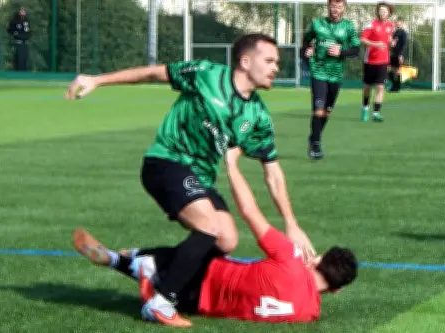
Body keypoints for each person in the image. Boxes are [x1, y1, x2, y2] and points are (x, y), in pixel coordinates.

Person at [65, 33, 316, 324]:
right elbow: (151, 73)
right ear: (245, 62)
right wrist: (97, 80)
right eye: (269, 60)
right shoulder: (205, 74)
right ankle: (162, 301)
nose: (276, 67)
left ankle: (136, 262)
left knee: (226, 240)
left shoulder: (257, 116)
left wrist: (291, 223)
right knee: (209, 226)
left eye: (277, 62)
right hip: (166, 161)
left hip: (200, 177)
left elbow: (272, 171)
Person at [71, 147, 357, 327]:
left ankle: (132, 263)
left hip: (204, 274)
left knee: (213, 238)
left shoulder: (292, 259)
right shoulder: (309, 313)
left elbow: (249, 211)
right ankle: (127, 262)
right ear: (335, 290)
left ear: (316, 260)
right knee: (197, 258)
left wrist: (232, 163)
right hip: (198, 305)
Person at [302, 0, 362, 160]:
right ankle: (316, 145)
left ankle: (314, 136)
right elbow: (306, 41)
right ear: (328, 6)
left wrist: (341, 51)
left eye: (339, 6)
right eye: (333, 6)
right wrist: (306, 52)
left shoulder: (348, 26)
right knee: (318, 110)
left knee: (327, 111)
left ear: (344, 8)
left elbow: (356, 49)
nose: (335, 9)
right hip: (318, 71)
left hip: (335, 74)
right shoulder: (317, 24)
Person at [360, 2, 395, 123]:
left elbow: (388, 39)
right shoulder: (372, 24)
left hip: (383, 61)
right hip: (370, 60)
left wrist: (391, 43)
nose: (382, 13)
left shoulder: (391, 25)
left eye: (385, 11)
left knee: (380, 87)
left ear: (389, 12)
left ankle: (376, 113)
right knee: (367, 87)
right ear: (378, 12)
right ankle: (365, 108)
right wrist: (375, 44)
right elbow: (362, 39)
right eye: (380, 10)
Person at [7, 7, 31, 71]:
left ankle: (24, 72)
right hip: (17, 43)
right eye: (21, 11)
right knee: (18, 58)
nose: (23, 13)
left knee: (24, 58)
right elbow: (10, 30)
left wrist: (27, 36)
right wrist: (15, 34)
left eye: (24, 11)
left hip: (25, 43)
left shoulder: (27, 21)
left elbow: (29, 31)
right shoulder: (14, 20)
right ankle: (17, 71)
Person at [389, 17, 408, 93]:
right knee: (388, 68)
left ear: (401, 23)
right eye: (396, 22)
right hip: (392, 54)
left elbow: (404, 44)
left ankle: (397, 87)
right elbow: (392, 43)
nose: (397, 23)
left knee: (398, 71)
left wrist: (401, 55)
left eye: (398, 22)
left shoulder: (403, 32)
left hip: (399, 54)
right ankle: (394, 85)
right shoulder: (394, 32)